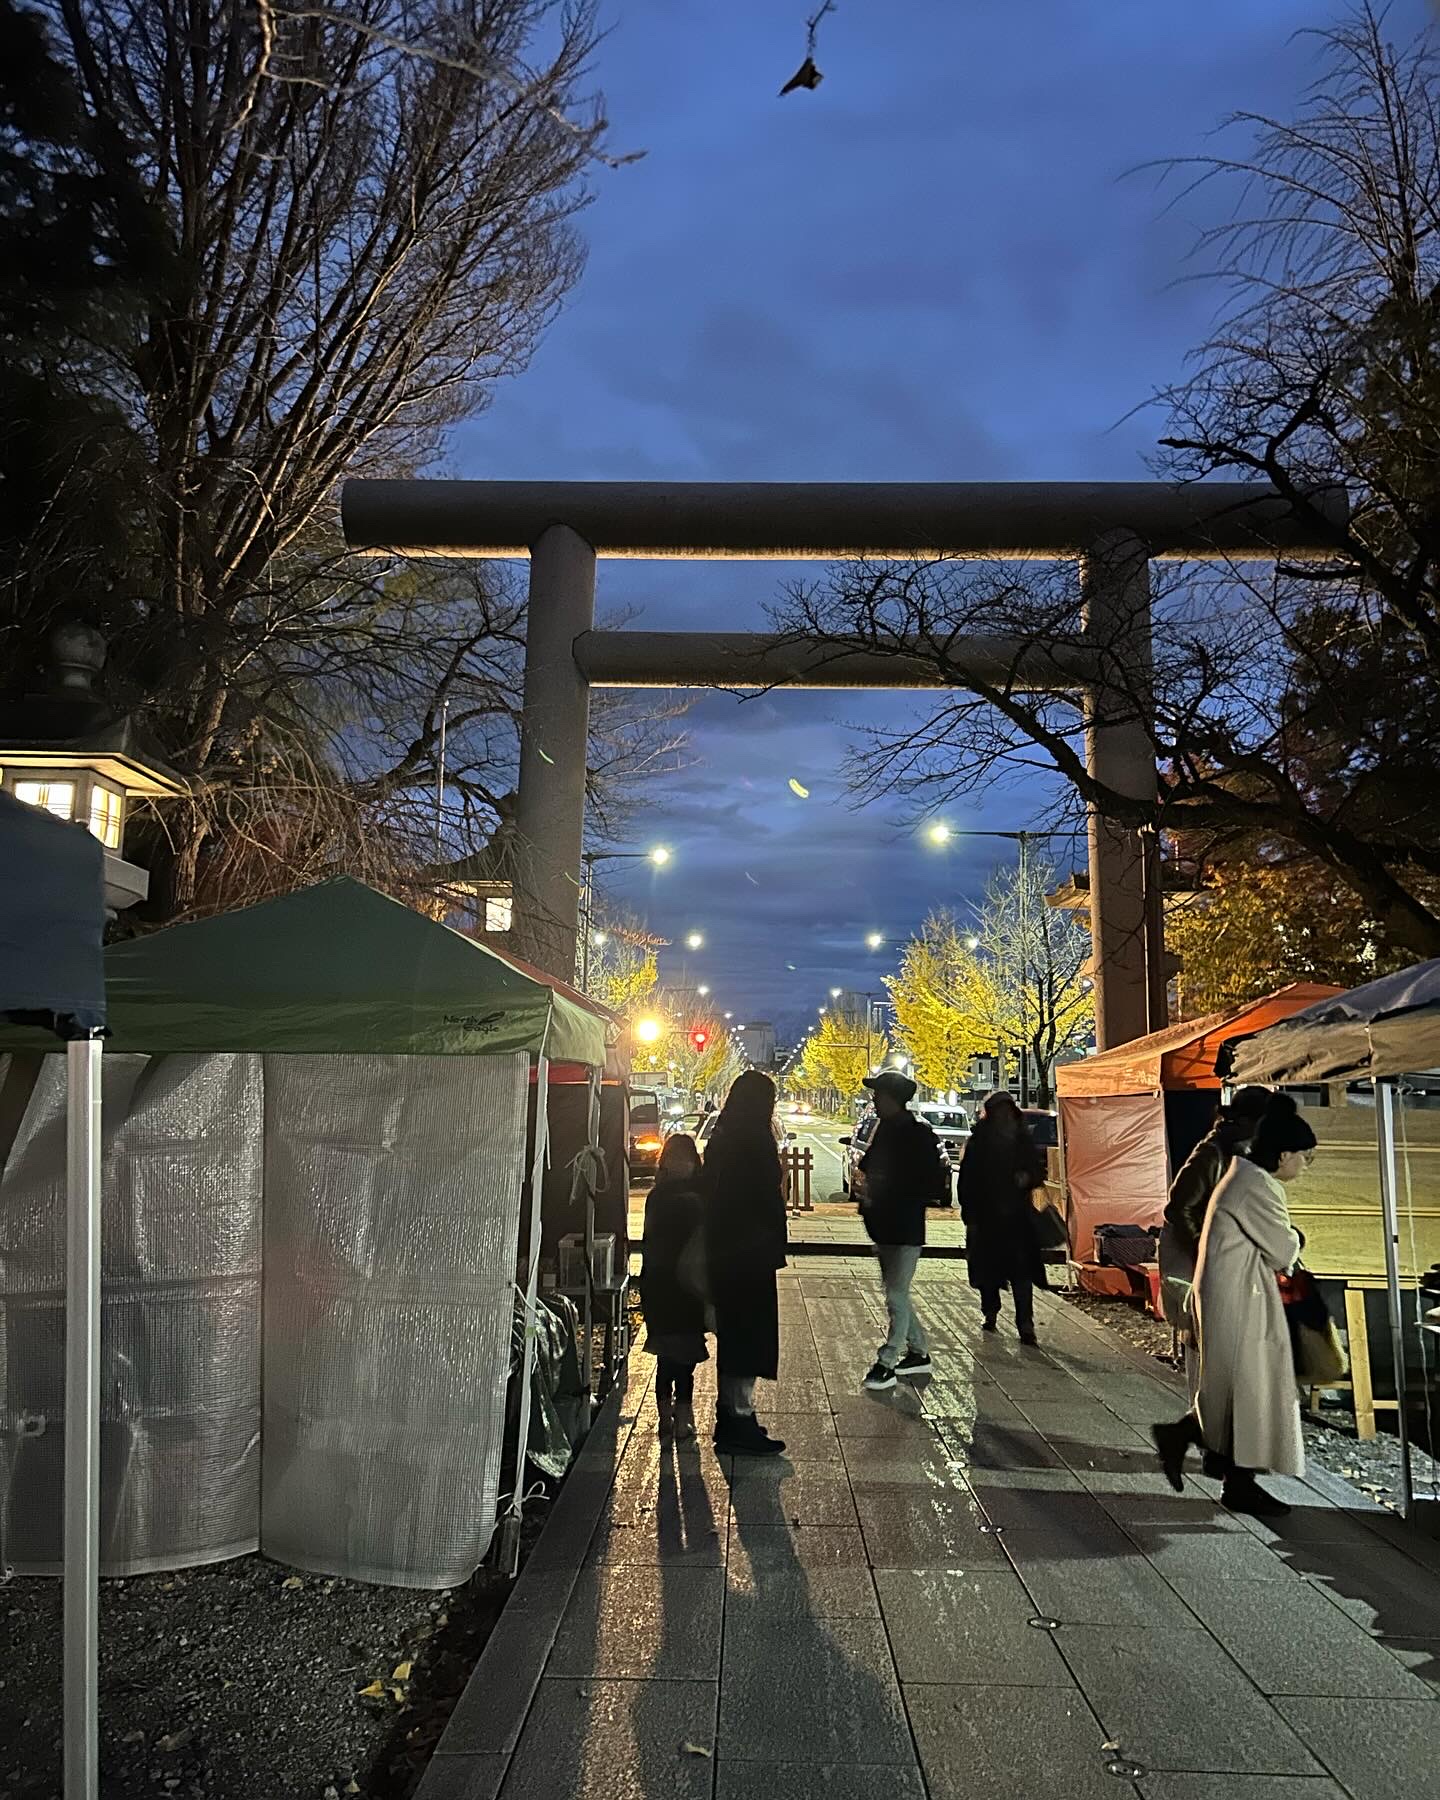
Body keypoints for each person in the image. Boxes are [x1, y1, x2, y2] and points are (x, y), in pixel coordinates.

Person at [1189, 1094, 1315, 1518]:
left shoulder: (1244, 1177)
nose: (1305, 1165)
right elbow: (1283, 1249)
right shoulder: (1258, 1186)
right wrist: (1298, 1236)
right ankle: (1239, 1481)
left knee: (1234, 1386)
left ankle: (1223, 1461)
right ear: (1283, 1155)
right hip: (1241, 1296)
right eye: (1304, 1157)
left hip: (1234, 1291)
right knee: (1250, 1389)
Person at [1152, 1086, 1273, 1487]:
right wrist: (1206, 1248)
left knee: (1221, 1358)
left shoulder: (1240, 1151)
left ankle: (1212, 1448)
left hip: (1219, 1264)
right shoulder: (1215, 1152)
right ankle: (1212, 1449)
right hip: (1200, 1265)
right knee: (1211, 1358)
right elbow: (1178, 1207)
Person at [702, 1070, 788, 1456]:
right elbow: (761, 1195)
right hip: (748, 1253)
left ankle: (733, 1416)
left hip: (727, 1249)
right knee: (747, 1335)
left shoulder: (724, 1135)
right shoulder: (752, 1139)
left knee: (737, 1335)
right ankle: (739, 1418)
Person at [857, 1070, 951, 1391]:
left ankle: (887, 1361)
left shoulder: (918, 1135)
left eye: (878, 1094)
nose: (874, 1100)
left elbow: (931, 1183)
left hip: (906, 1226)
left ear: (893, 1099)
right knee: (897, 1292)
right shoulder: (884, 1131)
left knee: (896, 1293)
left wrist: (891, 1188)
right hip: (884, 1224)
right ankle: (919, 1351)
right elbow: (867, 1166)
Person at [958, 1091, 1048, 1343]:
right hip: (987, 1218)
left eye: (1008, 1111)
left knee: (1022, 1274)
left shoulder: (1022, 1140)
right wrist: (970, 1212)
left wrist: (1027, 1178)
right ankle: (990, 1311)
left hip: (1018, 1220)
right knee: (987, 1273)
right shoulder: (979, 1141)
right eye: (1000, 1111)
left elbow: (1036, 1172)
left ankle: (1025, 1324)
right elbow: (967, 1179)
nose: (1004, 1116)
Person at [639, 1134, 709, 1443]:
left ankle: (674, 1418)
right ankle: (675, 1418)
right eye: (675, 1159)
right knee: (675, 1357)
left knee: (674, 1357)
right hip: (677, 1287)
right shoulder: (695, 1199)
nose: (680, 1165)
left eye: (684, 1159)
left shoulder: (659, 1197)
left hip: (667, 1286)